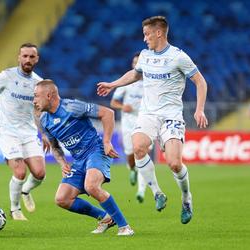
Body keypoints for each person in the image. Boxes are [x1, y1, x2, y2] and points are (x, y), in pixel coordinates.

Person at [97, 16, 208, 224]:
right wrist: (113, 85)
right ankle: (157, 193)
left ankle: (186, 198)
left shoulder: (178, 57)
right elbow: (134, 74)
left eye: (147, 34)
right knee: (138, 147)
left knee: (174, 164)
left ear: (159, 33)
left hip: (171, 116)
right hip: (148, 114)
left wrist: (199, 110)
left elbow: (200, 82)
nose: (144, 39)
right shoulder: (145, 56)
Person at [33, 79, 134, 236]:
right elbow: (54, 146)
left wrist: (107, 142)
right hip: (79, 160)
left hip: (96, 150)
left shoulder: (72, 107)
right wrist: (62, 162)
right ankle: (106, 218)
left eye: (36, 96)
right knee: (62, 199)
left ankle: (125, 227)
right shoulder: (45, 120)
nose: (34, 101)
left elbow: (108, 113)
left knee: (91, 186)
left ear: (49, 95)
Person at [0, 43, 49, 221]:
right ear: (19, 57)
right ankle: (15, 209)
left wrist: (44, 133)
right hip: (8, 131)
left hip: (28, 133)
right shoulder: (6, 76)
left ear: (37, 59)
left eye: (31, 57)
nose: (28, 59)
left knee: (39, 173)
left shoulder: (39, 83)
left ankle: (26, 190)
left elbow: (39, 111)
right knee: (20, 172)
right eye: (25, 56)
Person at [110, 52, 148, 203]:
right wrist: (122, 106)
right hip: (127, 123)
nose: (136, 65)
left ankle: (141, 191)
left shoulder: (151, 83)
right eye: (135, 63)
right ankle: (132, 169)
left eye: (139, 63)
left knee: (143, 155)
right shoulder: (127, 82)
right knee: (131, 156)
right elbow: (113, 102)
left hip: (144, 122)